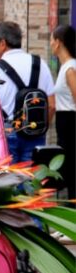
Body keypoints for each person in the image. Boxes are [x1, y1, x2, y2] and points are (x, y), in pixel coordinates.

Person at [0, 21, 55, 164]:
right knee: (32, 181)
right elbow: (51, 106)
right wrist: (38, 128)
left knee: (7, 181)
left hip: (5, 132)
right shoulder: (40, 64)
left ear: (3, 43)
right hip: (34, 131)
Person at [51, 24, 76, 198]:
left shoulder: (70, 69)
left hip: (70, 123)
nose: (51, 44)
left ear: (58, 43)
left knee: (71, 169)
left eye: (52, 40)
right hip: (65, 122)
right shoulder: (65, 67)